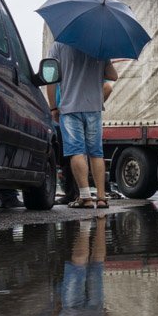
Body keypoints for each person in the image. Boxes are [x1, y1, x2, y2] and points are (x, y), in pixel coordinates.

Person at [46, 42, 118, 209]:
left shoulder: (58, 46)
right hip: (93, 108)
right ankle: (101, 198)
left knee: (77, 152)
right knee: (96, 153)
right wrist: (103, 61)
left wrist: (53, 107)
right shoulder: (99, 46)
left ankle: (85, 198)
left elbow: (51, 79)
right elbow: (113, 76)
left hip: (69, 108)